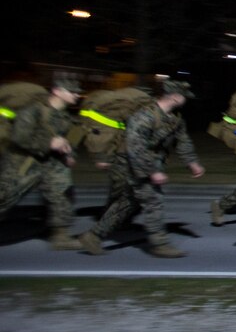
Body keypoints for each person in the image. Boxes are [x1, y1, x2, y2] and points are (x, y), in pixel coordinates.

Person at [79, 80, 205, 258]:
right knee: (153, 200)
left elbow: (182, 140)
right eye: (184, 97)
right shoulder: (144, 116)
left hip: (149, 162)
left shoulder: (174, 117)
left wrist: (192, 162)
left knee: (128, 202)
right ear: (175, 97)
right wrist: (152, 171)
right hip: (132, 164)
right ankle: (160, 244)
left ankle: (93, 236)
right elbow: (135, 148)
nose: (186, 100)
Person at [0, 75, 83, 250]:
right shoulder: (33, 111)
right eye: (72, 91)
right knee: (5, 197)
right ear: (57, 91)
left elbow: (68, 139)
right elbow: (19, 137)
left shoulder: (65, 117)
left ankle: (61, 237)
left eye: (77, 91)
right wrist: (49, 143)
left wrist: (69, 154)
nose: (76, 95)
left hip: (52, 164)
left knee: (62, 195)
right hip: (23, 163)